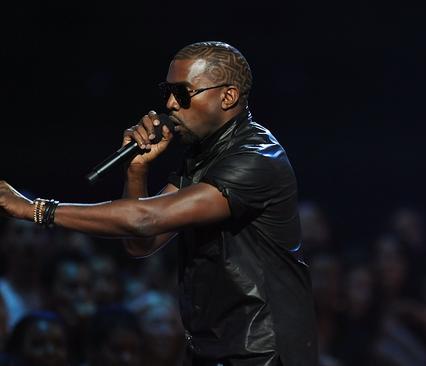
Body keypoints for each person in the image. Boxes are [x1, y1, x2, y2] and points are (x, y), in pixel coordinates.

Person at [0, 41, 318, 366]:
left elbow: (146, 220)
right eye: (168, 91)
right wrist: (137, 171)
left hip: (263, 354)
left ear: (228, 96)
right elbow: (142, 244)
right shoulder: (204, 158)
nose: (169, 104)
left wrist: (34, 209)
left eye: (182, 93)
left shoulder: (256, 159)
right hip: (215, 351)